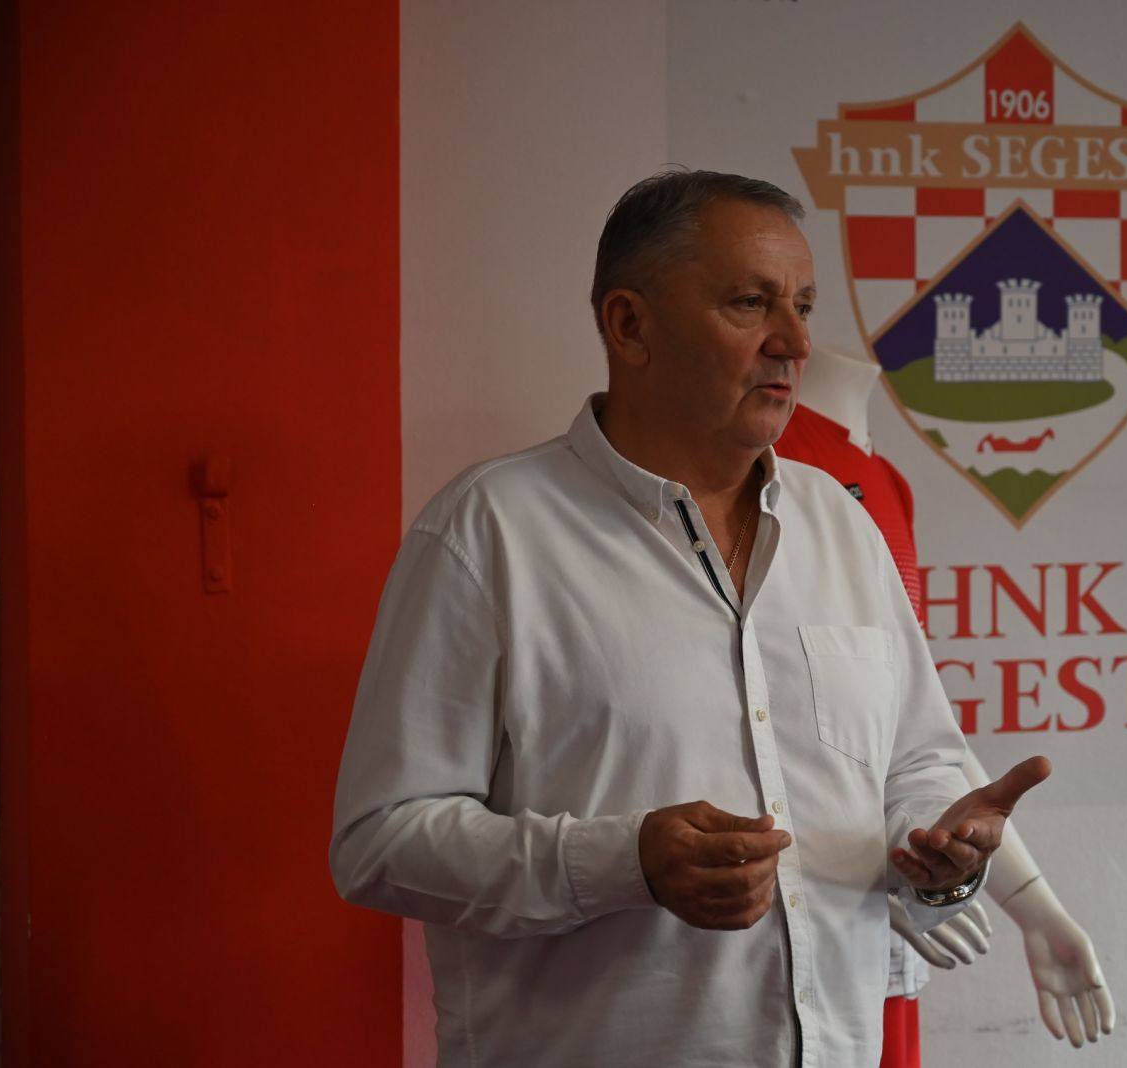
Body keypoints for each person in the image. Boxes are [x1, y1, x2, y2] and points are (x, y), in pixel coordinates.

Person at [328, 169, 1052, 1066]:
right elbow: (380, 842)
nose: (795, 343)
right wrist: (622, 862)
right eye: (751, 303)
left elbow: (917, 758)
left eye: (803, 306)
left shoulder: (841, 523)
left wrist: (939, 843)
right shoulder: (488, 532)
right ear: (628, 325)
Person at [776, 349, 1114, 1058]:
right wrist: (857, 864)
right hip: (797, 938)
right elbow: (763, 714)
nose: (789, 329)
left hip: (889, 915)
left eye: (803, 304)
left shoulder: (887, 481)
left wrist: (1033, 905)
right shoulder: (776, 459)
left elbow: (913, 725)